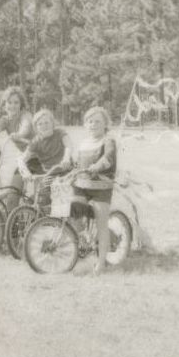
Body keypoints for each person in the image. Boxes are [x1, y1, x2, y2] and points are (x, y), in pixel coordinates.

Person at [72, 106, 118, 275]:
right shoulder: (83, 143)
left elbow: (108, 158)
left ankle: (101, 263)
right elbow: (76, 164)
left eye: (98, 121)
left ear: (105, 124)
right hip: (81, 186)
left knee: (101, 222)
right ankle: (82, 245)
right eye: (90, 121)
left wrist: (97, 166)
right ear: (85, 124)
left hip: (101, 187)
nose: (93, 124)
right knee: (73, 212)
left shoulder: (108, 141)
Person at [17, 109, 73, 208]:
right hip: (49, 174)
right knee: (39, 201)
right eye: (40, 124)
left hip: (65, 172)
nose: (44, 126)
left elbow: (68, 145)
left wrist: (66, 158)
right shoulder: (36, 141)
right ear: (36, 127)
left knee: (61, 203)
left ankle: (62, 220)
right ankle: (43, 220)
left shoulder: (60, 133)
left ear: (52, 123)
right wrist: (25, 172)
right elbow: (21, 159)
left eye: (47, 122)